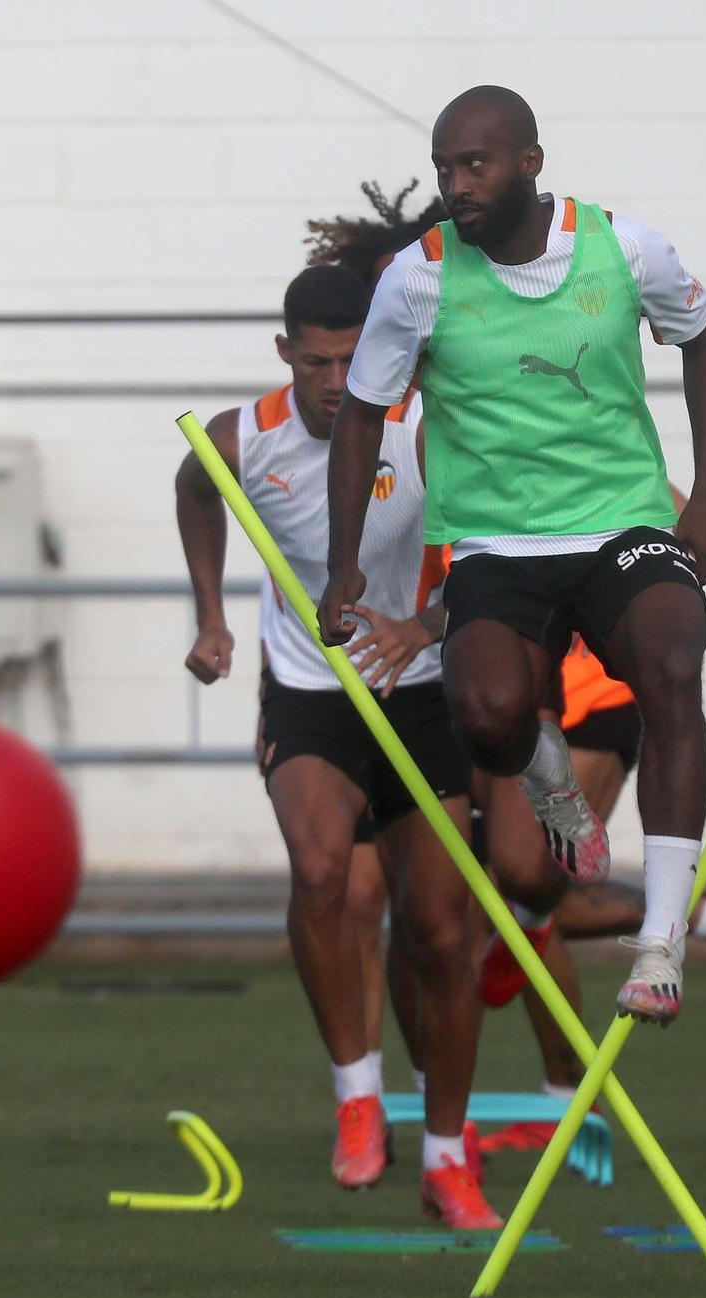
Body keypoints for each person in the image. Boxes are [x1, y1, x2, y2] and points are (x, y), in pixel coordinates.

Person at [322, 85, 706, 1026]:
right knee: (490, 717)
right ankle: (545, 769)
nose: (457, 185)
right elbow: (360, 413)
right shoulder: (417, 277)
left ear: (530, 163)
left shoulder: (626, 249)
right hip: (498, 543)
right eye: (443, 169)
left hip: (622, 524)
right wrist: (343, 561)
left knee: (674, 656)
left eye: (475, 165)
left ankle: (663, 941)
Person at [175, 263, 500, 1228]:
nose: (332, 381)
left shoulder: (426, 429)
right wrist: (211, 618)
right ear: (287, 353)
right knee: (322, 870)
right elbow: (196, 490)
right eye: (315, 361)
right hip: (311, 691)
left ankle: (447, 1153)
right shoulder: (245, 435)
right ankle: (357, 1095)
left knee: (441, 932)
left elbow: (496, 563)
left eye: (352, 361)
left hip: (421, 692)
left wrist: (425, 626)